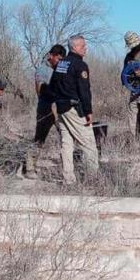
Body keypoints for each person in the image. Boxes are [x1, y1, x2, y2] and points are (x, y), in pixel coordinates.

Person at [49, 34, 99, 185]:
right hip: (74, 109)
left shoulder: (61, 64)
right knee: (89, 143)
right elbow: (84, 90)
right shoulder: (80, 65)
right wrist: (88, 111)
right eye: (83, 46)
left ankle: (68, 179)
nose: (86, 49)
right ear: (75, 47)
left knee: (67, 144)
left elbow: (52, 86)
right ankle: (93, 180)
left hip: (61, 108)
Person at [25, 44, 67, 178]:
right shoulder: (42, 70)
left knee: (66, 137)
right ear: (51, 56)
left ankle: (70, 166)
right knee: (40, 139)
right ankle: (30, 168)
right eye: (57, 59)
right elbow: (40, 91)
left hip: (60, 108)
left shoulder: (61, 69)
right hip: (46, 108)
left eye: (61, 59)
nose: (59, 62)